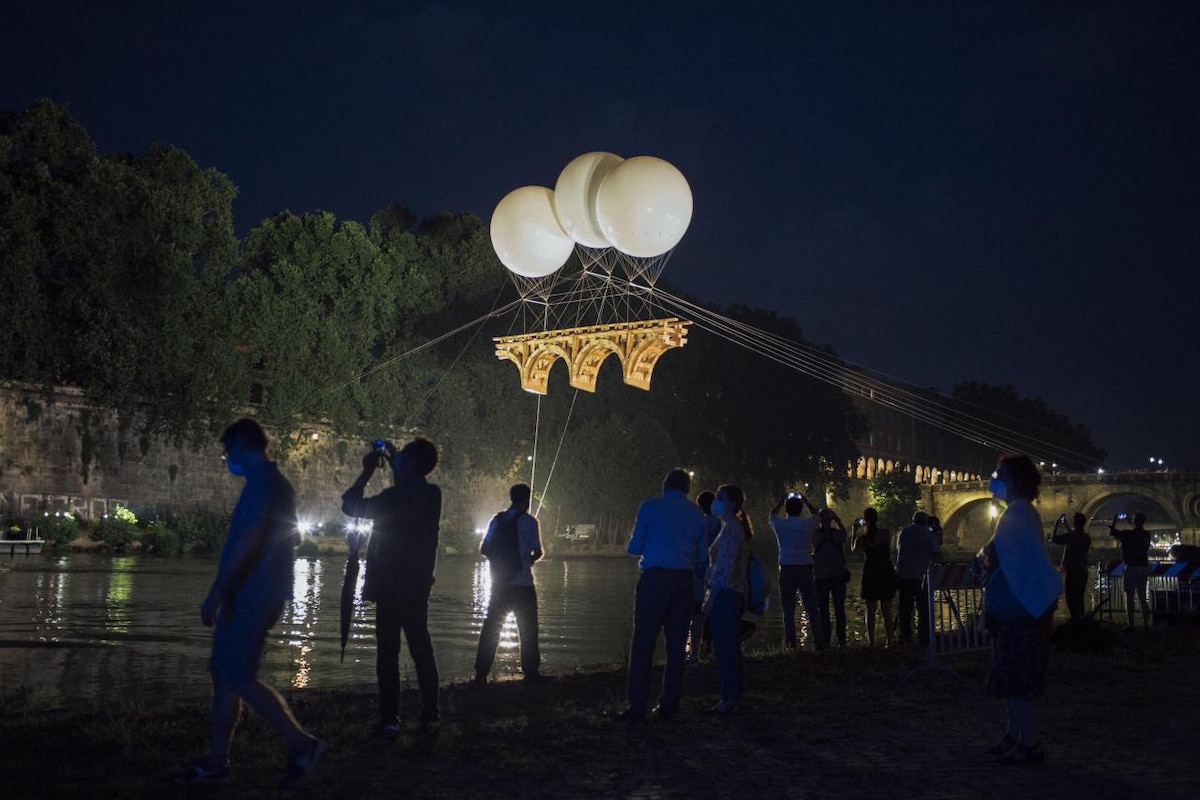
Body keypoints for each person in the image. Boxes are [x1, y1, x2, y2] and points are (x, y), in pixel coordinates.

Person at [173, 419, 324, 789]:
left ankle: (302, 744)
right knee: (224, 676)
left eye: (228, 451)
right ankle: (216, 760)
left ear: (243, 447)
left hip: (253, 593)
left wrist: (219, 590)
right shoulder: (268, 484)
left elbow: (249, 540)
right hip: (253, 592)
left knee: (238, 677)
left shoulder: (264, 485)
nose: (227, 459)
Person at [342, 437, 442, 741]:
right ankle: (430, 716)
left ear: (411, 463)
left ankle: (390, 719)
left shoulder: (391, 500)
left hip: (389, 584)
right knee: (421, 649)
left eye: (404, 457)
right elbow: (407, 485)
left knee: (388, 653)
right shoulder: (432, 495)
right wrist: (396, 455)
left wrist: (367, 471)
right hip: (417, 584)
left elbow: (350, 505)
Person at [976, 454, 1061, 765]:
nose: (993, 480)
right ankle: (1014, 734)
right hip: (1028, 604)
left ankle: (1028, 742)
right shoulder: (1024, 513)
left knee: (1016, 676)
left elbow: (992, 556)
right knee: (1013, 674)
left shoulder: (1015, 516)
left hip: (1021, 608)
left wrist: (982, 560)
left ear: (1012, 481)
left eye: (998, 474)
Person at [619, 468, 705, 722]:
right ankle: (669, 704)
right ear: (688, 488)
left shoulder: (649, 508)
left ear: (664, 485)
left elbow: (634, 547)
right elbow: (702, 557)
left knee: (643, 641)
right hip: (683, 580)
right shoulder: (696, 513)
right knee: (676, 644)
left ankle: (637, 705)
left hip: (654, 578)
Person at [474, 483, 546, 684]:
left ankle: (481, 674)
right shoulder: (530, 522)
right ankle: (531, 673)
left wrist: (500, 565)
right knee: (528, 629)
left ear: (511, 498)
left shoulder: (496, 520)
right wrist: (527, 561)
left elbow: (484, 549)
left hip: (500, 584)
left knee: (491, 628)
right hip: (523, 584)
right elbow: (538, 551)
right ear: (527, 500)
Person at [702, 484, 753, 714]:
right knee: (729, 646)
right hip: (733, 593)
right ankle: (732, 695)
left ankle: (729, 698)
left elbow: (724, 568)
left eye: (720, 498)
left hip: (727, 595)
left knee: (724, 647)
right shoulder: (731, 527)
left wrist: (711, 598)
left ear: (732, 503)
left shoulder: (731, 529)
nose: (716, 501)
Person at [769, 492, 822, 650]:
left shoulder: (781, 525)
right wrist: (806, 501)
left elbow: (771, 515)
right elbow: (816, 515)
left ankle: (791, 644)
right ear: (800, 510)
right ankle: (819, 642)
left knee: (788, 609)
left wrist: (780, 502)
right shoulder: (807, 525)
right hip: (805, 569)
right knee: (812, 607)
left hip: (787, 569)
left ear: (786, 510)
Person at [852, 508, 897, 647]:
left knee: (870, 610)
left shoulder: (863, 538)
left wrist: (854, 531)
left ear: (864, 520)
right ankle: (889, 641)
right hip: (885, 571)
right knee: (886, 611)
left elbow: (853, 550)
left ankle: (871, 642)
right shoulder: (885, 533)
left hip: (871, 572)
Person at [687, 490, 722, 666]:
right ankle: (714, 651)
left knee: (695, 615)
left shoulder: (696, 524)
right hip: (716, 573)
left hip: (698, 573)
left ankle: (693, 654)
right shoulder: (720, 525)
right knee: (715, 613)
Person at [895, 511, 940, 646]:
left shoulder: (904, 533)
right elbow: (936, 554)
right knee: (924, 609)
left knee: (905, 608)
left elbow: (899, 550)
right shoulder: (929, 534)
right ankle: (924, 638)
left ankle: (905, 637)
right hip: (922, 576)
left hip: (905, 575)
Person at [811, 508, 849, 649]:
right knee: (839, 609)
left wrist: (816, 520)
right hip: (837, 575)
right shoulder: (837, 534)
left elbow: (811, 538)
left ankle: (825, 639)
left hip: (821, 576)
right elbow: (845, 535)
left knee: (823, 610)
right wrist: (837, 519)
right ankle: (841, 640)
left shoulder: (815, 535)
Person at [1110, 512, 1152, 630]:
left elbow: (1112, 532)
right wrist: (1132, 521)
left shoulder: (1128, 534)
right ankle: (1145, 624)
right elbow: (1137, 532)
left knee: (1129, 597)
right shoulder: (1146, 534)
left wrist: (1114, 520)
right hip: (1143, 567)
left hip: (1131, 567)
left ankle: (1131, 624)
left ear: (1134, 522)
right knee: (1143, 597)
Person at [1049, 512, 1092, 621]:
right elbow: (1072, 537)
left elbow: (1054, 538)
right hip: (1083, 570)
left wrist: (1057, 524)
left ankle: (1074, 618)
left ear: (1076, 522)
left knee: (1070, 595)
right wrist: (1067, 525)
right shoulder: (1086, 537)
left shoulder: (1072, 537)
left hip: (1073, 571)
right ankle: (1080, 619)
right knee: (1079, 596)